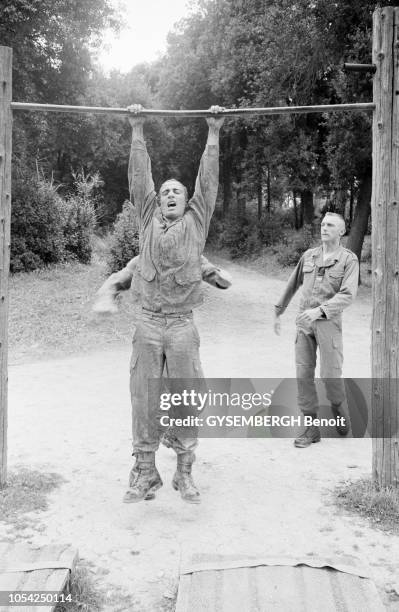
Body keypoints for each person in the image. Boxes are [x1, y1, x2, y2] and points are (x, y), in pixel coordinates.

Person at [123, 103, 224, 503]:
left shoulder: (197, 222)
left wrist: (213, 132)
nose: (168, 194)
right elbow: (138, 178)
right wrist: (136, 129)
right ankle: (145, 472)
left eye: (175, 191)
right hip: (147, 324)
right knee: (144, 396)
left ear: (186, 201)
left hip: (182, 325)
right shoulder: (147, 217)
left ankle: (184, 472)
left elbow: (208, 183)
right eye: (163, 191)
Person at [273, 212, 359, 448]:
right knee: (303, 375)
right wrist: (278, 310)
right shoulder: (309, 256)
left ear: (341, 231)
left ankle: (338, 407)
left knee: (330, 374)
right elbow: (293, 283)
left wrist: (320, 311)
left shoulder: (348, 260)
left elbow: (348, 295)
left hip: (328, 323)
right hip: (304, 324)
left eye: (330, 225)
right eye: (322, 224)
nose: (324, 228)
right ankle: (312, 428)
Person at [92, 254, 232, 315]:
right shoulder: (144, 259)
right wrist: (106, 298)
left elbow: (208, 271)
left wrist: (219, 278)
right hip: (151, 326)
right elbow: (119, 279)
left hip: (181, 326)